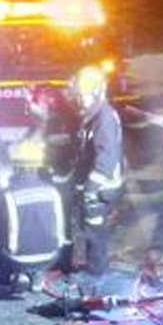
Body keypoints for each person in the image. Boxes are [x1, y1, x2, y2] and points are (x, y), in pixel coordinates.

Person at [118, 53, 163, 258]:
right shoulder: (150, 104)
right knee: (149, 217)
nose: (132, 84)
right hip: (150, 175)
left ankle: (157, 257)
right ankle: (149, 255)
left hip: (159, 175)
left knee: (157, 219)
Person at [67, 65, 124, 277]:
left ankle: (96, 273)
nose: (81, 100)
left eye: (85, 96)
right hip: (96, 184)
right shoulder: (94, 114)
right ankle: (95, 269)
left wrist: (91, 187)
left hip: (101, 187)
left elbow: (107, 157)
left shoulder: (104, 118)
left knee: (95, 229)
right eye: (79, 96)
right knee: (91, 227)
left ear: (99, 92)